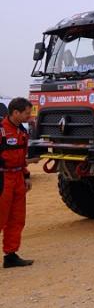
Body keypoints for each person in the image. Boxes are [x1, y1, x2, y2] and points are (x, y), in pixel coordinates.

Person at [1, 97, 34, 268]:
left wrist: (26, 176)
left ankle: (11, 255)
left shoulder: (22, 131)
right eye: (27, 113)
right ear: (16, 113)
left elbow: (22, 157)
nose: (29, 116)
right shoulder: (1, 131)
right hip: (3, 179)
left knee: (17, 219)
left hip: (18, 178)